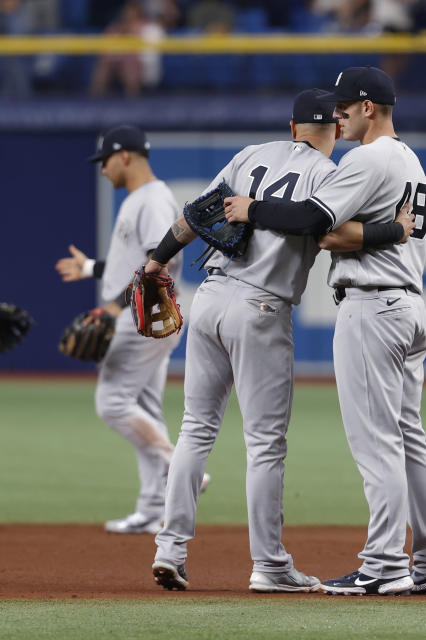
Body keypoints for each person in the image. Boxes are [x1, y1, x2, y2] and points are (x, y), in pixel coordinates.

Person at [224, 67, 426, 596]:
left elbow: (318, 225)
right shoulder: (410, 161)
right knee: (408, 440)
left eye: (344, 108)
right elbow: (344, 232)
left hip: (371, 308)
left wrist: (254, 207)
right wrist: (366, 233)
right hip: (407, 307)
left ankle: (384, 564)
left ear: (370, 108)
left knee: (377, 441)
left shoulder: (368, 158)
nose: (336, 116)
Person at [142, 89, 341, 593]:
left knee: (194, 429)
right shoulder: (330, 174)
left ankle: (170, 548)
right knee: (265, 446)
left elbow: (197, 213)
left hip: (209, 297)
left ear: (292, 126)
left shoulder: (252, 155)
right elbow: (323, 228)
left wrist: (155, 259)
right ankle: (271, 566)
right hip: (261, 308)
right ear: (335, 131)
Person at [55, 124, 207, 534]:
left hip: (143, 315)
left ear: (124, 156)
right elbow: (134, 262)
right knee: (144, 408)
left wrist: (112, 306)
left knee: (112, 402)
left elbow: (163, 261)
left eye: (104, 160)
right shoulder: (140, 199)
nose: (102, 169)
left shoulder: (153, 199)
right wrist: (91, 268)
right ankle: (154, 506)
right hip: (143, 313)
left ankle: (180, 464)